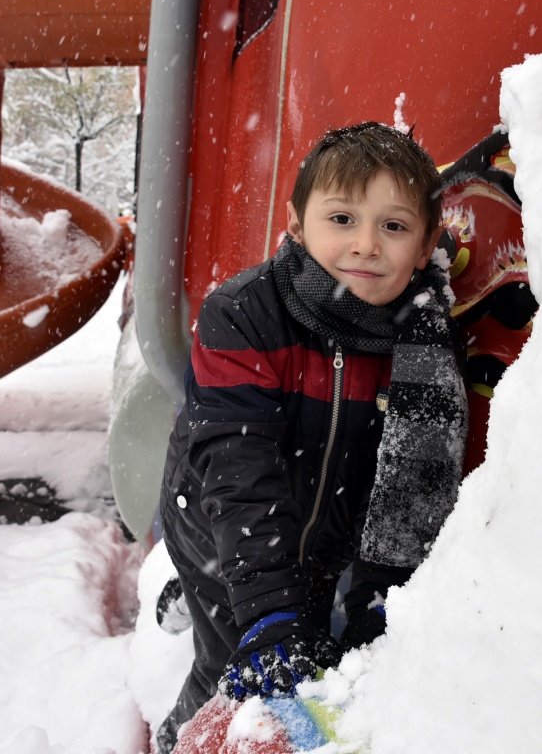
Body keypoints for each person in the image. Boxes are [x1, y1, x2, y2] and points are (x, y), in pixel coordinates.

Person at [154, 122, 468, 751]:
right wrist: (267, 613)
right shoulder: (244, 314)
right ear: (297, 224)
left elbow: (411, 482)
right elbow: (238, 470)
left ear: (425, 241)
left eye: (394, 227)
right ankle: (174, 737)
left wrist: (377, 597)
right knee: (232, 671)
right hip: (224, 529)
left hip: (321, 541)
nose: (367, 245)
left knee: (319, 663)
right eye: (343, 219)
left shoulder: (421, 342)